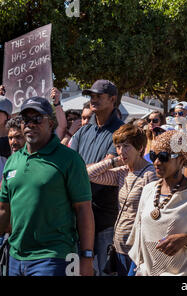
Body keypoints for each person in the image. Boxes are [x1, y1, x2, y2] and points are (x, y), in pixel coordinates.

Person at [0, 97, 95, 276]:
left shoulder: (69, 159)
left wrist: (87, 257)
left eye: (37, 118)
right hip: (15, 257)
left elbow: (83, 210)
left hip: (54, 257)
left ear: (51, 123)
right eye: (25, 120)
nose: (30, 124)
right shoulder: (13, 160)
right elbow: (4, 209)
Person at [127, 130, 187, 275]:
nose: (157, 162)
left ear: (182, 159)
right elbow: (139, 244)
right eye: (154, 156)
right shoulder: (148, 191)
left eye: (164, 157)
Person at [87, 123, 157, 275]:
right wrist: (113, 161)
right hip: (119, 246)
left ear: (139, 148)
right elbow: (89, 175)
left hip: (138, 248)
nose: (121, 151)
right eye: (118, 147)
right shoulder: (122, 172)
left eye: (126, 146)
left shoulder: (150, 174)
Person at [70, 79, 124, 276]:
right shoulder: (82, 131)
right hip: (76, 217)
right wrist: (93, 169)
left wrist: (82, 171)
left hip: (105, 219)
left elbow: (107, 167)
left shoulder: (121, 133)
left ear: (112, 99)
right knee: (76, 273)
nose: (93, 100)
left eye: (99, 96)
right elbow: (71, 168)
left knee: (106, 272)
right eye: (91, 96)